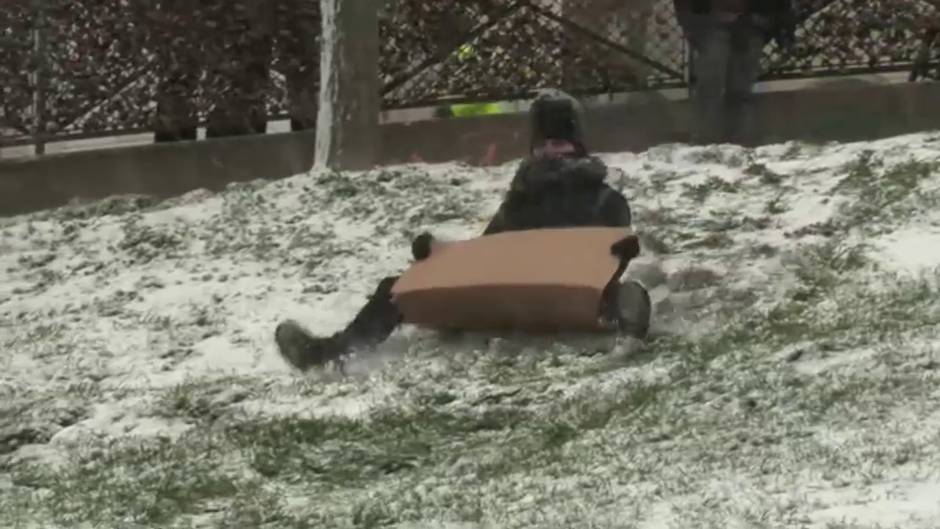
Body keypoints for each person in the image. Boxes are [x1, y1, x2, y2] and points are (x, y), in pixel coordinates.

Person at [274, 89, 651, 372]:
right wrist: (436, 255)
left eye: (560, 143)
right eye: (544, 145)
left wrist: (617, 252)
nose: (553, 153)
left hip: (570, 297)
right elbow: (486, 253)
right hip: (508, 294)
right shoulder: (520, 199)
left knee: (630, 294)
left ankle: (630, 343)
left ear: (577, 146)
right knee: (394, 288)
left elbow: (607, 258)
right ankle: (331, 354)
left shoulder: (605, 200)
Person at [673, 0, 797, 145]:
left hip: (751, 20)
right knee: (712, 84)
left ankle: (737, 143)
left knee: (739, 88)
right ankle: (707, 142)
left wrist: (782, 22)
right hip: (712, 18)